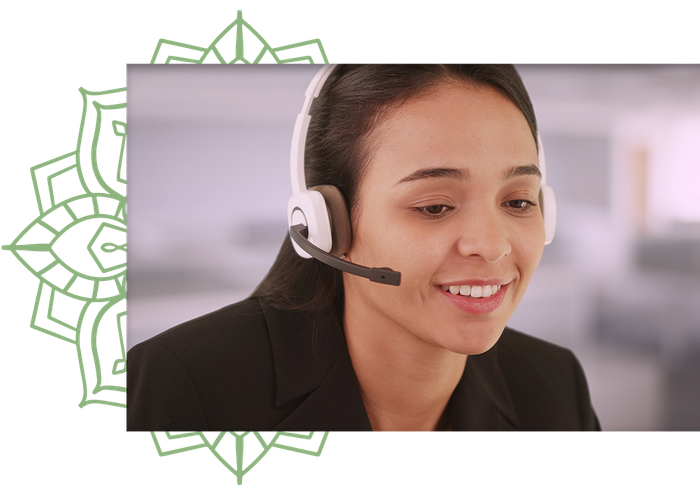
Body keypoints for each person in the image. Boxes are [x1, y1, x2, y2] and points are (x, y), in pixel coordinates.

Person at [126, 62, 601, 433]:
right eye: (435, 207)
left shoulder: (554, 384)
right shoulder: (182, 387)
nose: (492, 245)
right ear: (327, 224)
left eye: (518, 201)